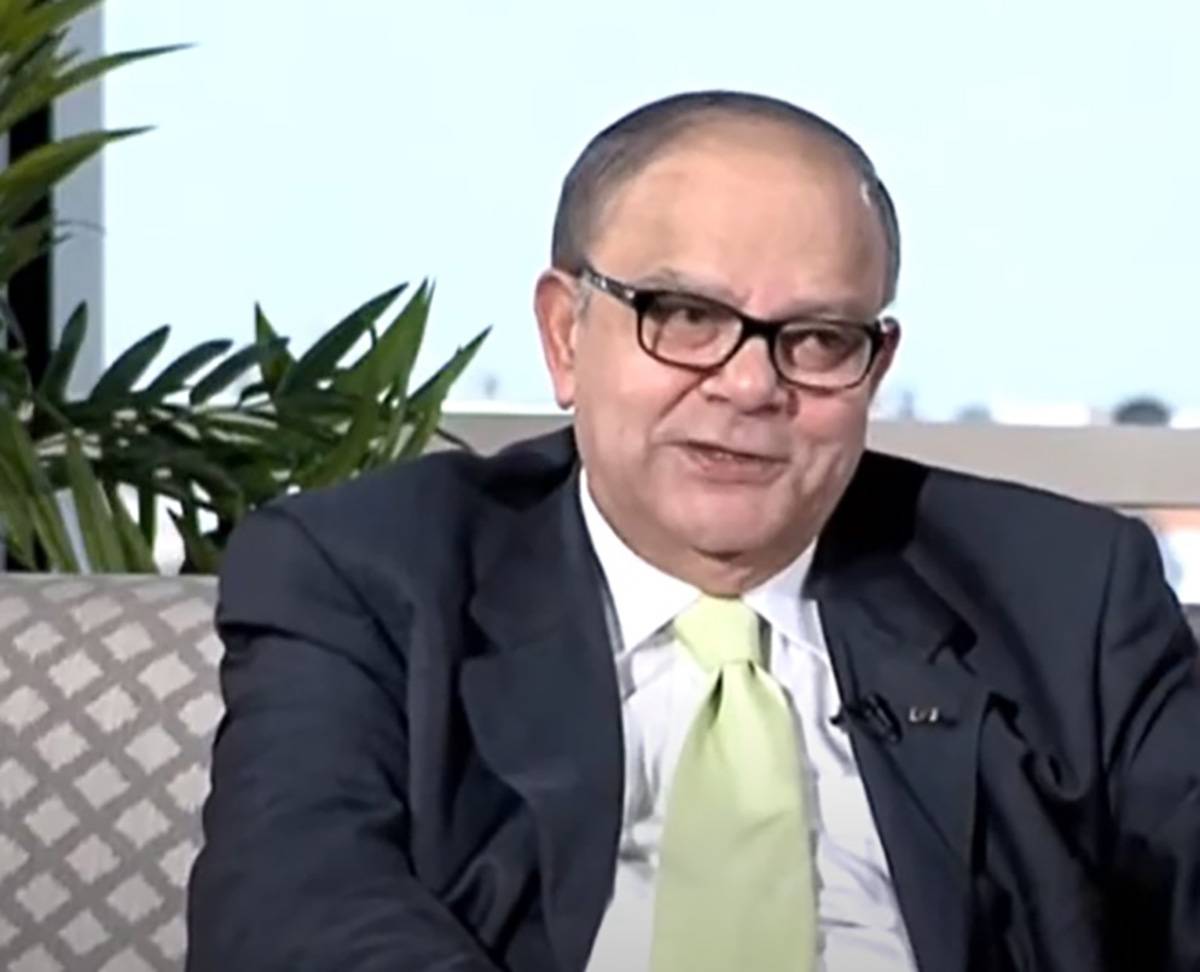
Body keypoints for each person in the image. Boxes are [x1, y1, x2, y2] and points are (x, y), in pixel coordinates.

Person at [186, 91, 1200, 972]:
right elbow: (293, 915)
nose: (751, 385)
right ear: (566, 336)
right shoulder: (368, 574)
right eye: (685, 317)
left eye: (817, 338)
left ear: (874, 367)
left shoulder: (1069, 596)